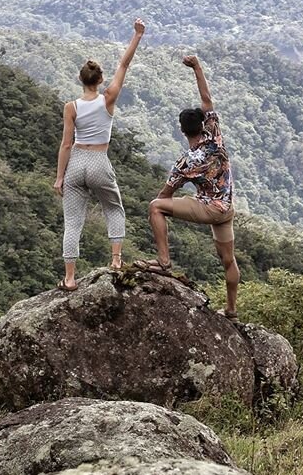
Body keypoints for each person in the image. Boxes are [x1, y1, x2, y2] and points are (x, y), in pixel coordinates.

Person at [137, 55, 240, 321]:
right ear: (202, 125)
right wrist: (197, 67)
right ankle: (231, 309)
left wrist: (165, 199)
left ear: (183, 131)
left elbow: (164, 196)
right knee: (228, 259)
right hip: (227, 207)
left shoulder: (186, 162)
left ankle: (163, 262)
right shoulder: (215, 135)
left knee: (155, 207)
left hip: (208, 208)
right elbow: (207, 99)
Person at [54, 18, 145, 290]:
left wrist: (60, 177)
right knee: (113, 208)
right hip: (98, 161)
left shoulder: (71, 107)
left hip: (76, 162)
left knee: (72, 223)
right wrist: (137, 35)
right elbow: (124, 65)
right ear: (100, 80)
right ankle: (116, 261)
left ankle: (69, 278)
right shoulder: (108, 98)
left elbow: (66, 144)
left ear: (81, 81)